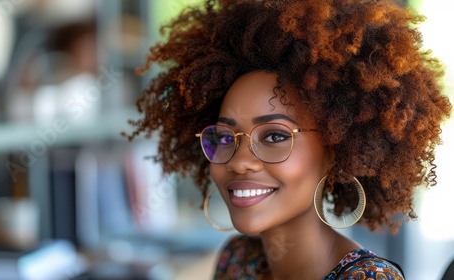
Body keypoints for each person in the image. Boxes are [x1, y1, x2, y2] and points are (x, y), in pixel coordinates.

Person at [124, 0, 452, 278]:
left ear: (335, 152)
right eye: (225, 138)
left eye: (275, 135)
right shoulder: (239, 261)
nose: (239, 161)